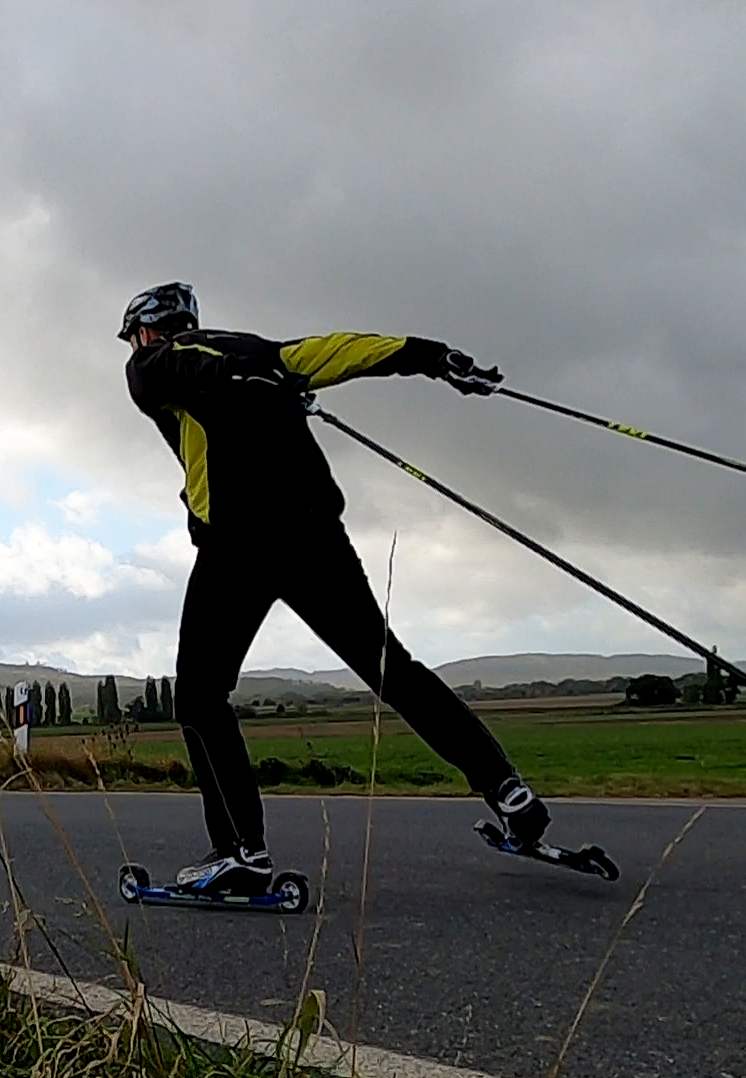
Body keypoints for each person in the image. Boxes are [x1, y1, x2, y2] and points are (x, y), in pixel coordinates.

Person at [121, 281, 550, 894]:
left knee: (198, 697)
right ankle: (507, 789)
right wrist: (432, 357)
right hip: (315, 537)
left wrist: (251, 380)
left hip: (238, 550)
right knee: (391, 670)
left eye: (137, 337)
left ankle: (241, 852)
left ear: (146, 331)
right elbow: (345, 349)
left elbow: (176, 370)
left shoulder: (156, 362)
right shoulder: (266, 354)